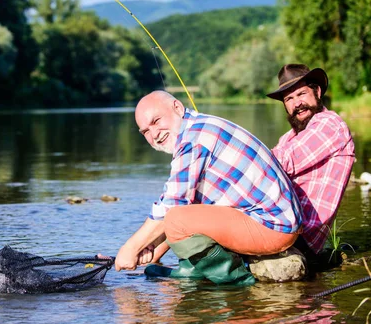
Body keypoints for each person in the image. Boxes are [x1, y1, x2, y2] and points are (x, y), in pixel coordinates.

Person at [114, 91, 302, 285]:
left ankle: (237, 281)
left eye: (156, 121)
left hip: (273, 226)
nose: (154, 134)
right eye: (145, 131)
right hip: (272, 220)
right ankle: (194, 270)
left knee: (177, 219)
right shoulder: (197, 128)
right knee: (182, 215)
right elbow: (189, 203)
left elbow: (172, 207)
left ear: (177, 108)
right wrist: (152, 251)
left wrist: (130, 248)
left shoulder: (193, 140)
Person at [267, 64, 355, 263]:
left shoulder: (329, 124)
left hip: (298, 237)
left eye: (301, 94)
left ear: (317, 91)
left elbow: (281, 161)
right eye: (289, 99)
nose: (297, 103)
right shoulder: (289, 137)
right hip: (279, 226)